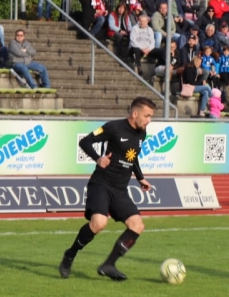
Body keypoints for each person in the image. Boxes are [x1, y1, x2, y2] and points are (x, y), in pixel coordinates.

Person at [60, 97, 157, 281]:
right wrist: (98, 158)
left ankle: (109, 265)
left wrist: (140, 177)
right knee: (99, 223)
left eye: (151, 116)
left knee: (137, 226)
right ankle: (70, 254)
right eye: (147, 116)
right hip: (102, 184)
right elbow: (85, 142)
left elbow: (132, 157)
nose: (149, 120)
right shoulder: (113, 127)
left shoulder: (142, 133)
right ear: (135, 113)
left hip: (120, 189)